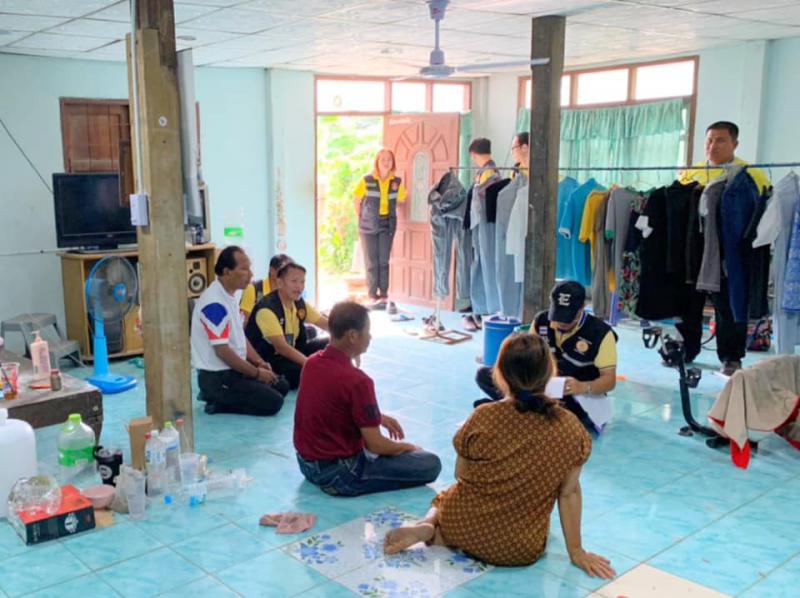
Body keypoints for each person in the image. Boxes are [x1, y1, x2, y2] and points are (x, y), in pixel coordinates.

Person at [384, 334, 615, 577]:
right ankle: (436, 532)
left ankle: (429, 527)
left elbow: (460, 474)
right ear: (550, 373)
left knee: (446, 496)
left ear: (500, 374)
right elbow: (568, 493)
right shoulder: (570, 428)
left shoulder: (483, 416)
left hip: (462, 526)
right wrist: (576, 551)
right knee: (531, 519)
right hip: (519, 548)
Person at [294, 301, 441, 496]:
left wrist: (377, 417)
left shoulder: (312, 363)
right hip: (341, 474)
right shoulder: (358, 381)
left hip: (306, 465)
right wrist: (407, 447)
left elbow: (334, 406)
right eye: (368, 331)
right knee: (431, 463)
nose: (370, 336)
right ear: (353, 336)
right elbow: (376, 445)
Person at [679, 121, 770, 375]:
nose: (713, 146)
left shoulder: (749, 175)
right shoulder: (691, 174)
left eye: (720, 140)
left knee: (728, 305)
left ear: (734, 144)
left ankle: (731, 356)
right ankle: (686, 349)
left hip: (728, 251)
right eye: (709, 140)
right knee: (689, 303)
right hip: (695, 249)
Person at [475, 280, 617, 433]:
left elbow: (609, 380)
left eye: (567, 317)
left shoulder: (601, 333)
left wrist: (582, 387)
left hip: (575, 394)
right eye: (558, 315)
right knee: (485, 375)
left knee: (567, 407)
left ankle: (514, 410)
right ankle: (534, 413)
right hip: (540, 387)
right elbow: (527, 359)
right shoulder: (541, 321)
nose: (560, 323)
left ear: (582, 307)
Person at [190, 246, 289, 416]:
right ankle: (215, 400)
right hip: (217, 376)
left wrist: (258, 362)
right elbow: (222, 351)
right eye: (244, 269)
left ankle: (228, 394)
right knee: (274, 402)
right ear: (226, 272)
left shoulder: (229, 296)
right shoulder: (214, 304)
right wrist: (257, 374)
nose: (250, 274)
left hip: (233, 369)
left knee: (282, 386)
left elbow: (239, 336)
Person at [245, 262, 329, 389]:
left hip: (293, 350)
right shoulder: (267, 309)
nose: (299, 286)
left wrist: (346, 342)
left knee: (329, 343)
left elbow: (324, 323)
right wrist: (310, 364)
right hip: (270, 359)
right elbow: (281, 348)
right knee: (301, 373)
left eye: (302, 282)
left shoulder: (299, 303)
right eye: (294, 281)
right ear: (279, 283)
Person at [354, 148, 407, 313]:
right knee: (371, 261)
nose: (386, 162)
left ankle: (384, 294)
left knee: (384, 260)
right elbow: (357, 200)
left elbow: (401, 199)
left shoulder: (396, 182)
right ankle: (372, 295)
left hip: (387, 224)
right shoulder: (366, 180)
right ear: (377, 162)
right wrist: (362, 218)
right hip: (368, 225)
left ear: (393, 163)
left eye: (389, 159)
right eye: (383, 159)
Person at [239, 253, 292, 321]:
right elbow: (245, 320)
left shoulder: (287, 293)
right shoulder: (253, 289)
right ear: (272, 270)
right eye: (284, 271)